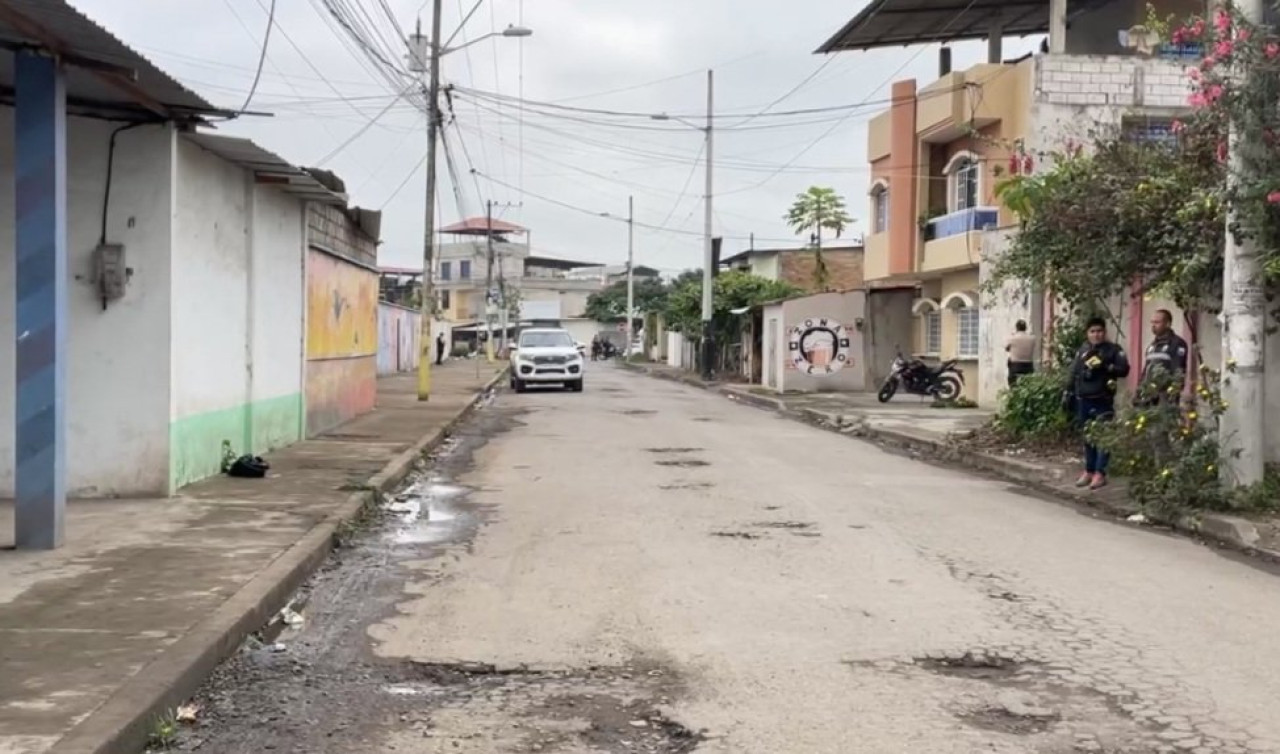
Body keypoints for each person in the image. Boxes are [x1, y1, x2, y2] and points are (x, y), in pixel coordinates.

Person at [1069, 317, 1131, 490]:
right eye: (1092, 331)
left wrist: (1106, 366)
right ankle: (1088, 470)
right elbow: (1074, 372)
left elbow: (1124, 370)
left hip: (1103, 400)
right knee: (1088, 437)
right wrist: (1068, 393)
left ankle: (1100, 473)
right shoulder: (1083, 350)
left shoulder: (1113, 350)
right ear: (1087, 334)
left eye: (1100, 331)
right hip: (1084, 400)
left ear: (1105, 332)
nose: (1096, 335)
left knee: (1104, 438)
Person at [1139, 309, 1188, 405]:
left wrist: (1173, 393)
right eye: (1152, 322)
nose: (1153, 325)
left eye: (1157, 322)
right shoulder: (1152, 346)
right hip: (1149, 396)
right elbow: (1146, 370)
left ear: (1168, 324)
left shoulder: (1176, 343)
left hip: (1165, 396)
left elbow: (1178, 371)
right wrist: (1140, 390)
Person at [1005, 320, 1037, 387]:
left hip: (1015, 366)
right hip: (1028, 366)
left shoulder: (1012, 338)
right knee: (1029, 383)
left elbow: (1007, 348)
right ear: (1025, 328)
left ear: (1017, 328)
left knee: (1012, 380)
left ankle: (1012, 388)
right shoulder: (1032, 338)